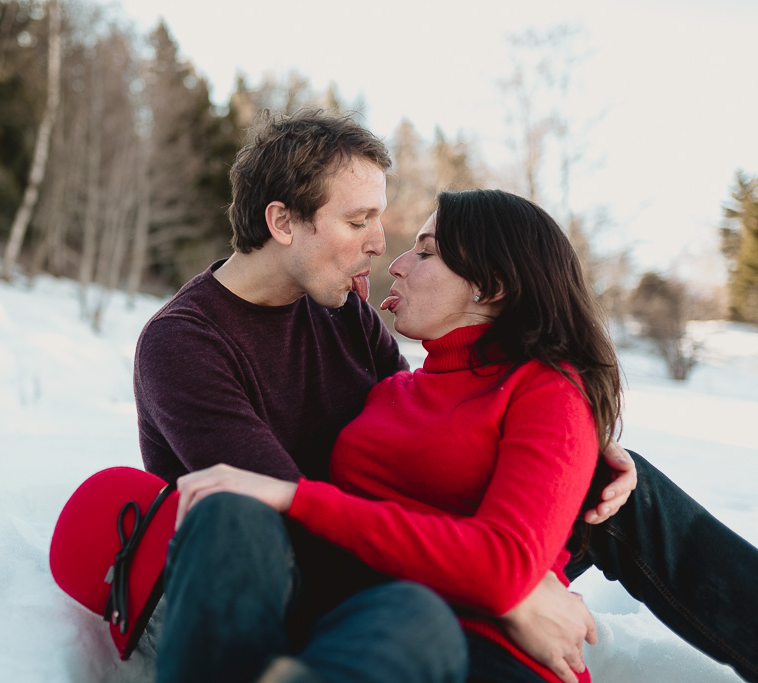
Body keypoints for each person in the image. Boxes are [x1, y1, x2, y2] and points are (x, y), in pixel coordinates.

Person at [133, 109, 758, 683]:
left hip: (391, 554)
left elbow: (417, 418)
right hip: (291, 581)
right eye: (358, 222)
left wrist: (574, 444)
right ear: (282, 222)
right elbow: (286, 516)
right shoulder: (185, 345)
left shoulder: (338, 307)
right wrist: (508, 593)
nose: (381, 246)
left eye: (380, 221)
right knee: (368, 585)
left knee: (619, 485)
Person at [174, 188, 619, 682]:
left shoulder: (546, 387)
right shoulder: (390, 390)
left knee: (415, 615)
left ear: (490, 285)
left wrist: (296, 497)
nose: (397, 262)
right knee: (232, 510)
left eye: (426, 252)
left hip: (488, 653)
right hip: (358, 622)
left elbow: (502, 565)